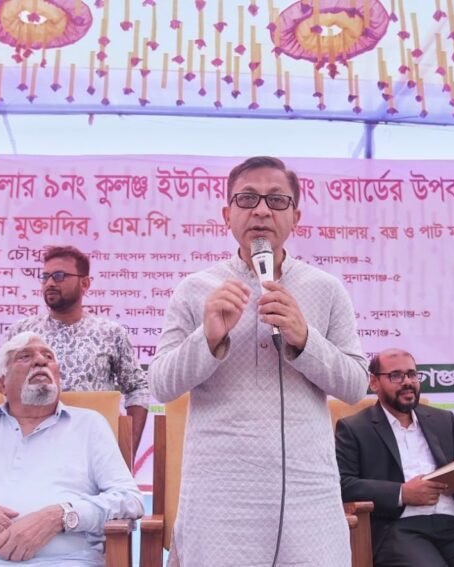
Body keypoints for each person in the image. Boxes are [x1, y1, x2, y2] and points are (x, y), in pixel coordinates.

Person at [149, 156, 368, 565]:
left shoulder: (326, 289)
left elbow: (356, 385)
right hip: (220, 495)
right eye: (247, 198)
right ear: (227, 215)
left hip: (308, 491)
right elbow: (161, 384)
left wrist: (305, 339)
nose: (262, 210)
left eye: (277, 200)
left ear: (296, 217)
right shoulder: (196, 289)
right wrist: (207, 337)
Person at [0, 331, 143, 566]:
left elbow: (128, 499)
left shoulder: (89, 424)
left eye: (48, 357)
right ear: (2, 384)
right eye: (24, 357)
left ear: (58, 378)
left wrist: (61, 516)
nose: (40, 361)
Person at [336, 348, 454, 567]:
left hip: (453, 525)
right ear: (374, 383)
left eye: (412, 374)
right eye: (396, 375)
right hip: (397, 528)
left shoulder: (443, 420)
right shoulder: (355, 428)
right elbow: (344, 485)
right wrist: (402, 493)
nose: (407, 382)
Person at [6, 245, 150, 453]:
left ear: (85, 283)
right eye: (45, 277)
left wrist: (127, 451)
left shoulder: (110, 333)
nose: (50, 283)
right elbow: (1, 388)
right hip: (30, 449)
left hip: (92, 451)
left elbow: (137, 388)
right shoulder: (21, 332)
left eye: (59, 276)